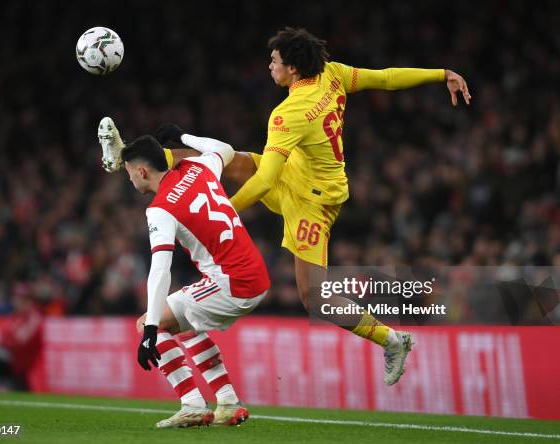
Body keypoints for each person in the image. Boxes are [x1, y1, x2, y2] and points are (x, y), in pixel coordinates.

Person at [151, 27, 472, 386]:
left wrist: (226, 211)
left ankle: (393, 340)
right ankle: (144, 157)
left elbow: (265, 181)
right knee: (226, 159)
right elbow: (386, 78)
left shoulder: (288, 113)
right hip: (297, 176)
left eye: (274, 61)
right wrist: (442, 73)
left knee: (315, 298)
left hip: (313, 203)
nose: (269, 66)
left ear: (292, 69)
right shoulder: (331, 74)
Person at [99, 120, 270, 428]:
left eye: (128, 173)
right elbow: (223, 149)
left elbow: (160, 269)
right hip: (254, 273)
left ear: (141, 172)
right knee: (184, 324)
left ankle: (191, 404)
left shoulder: (160, 208)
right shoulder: (198, 167)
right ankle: (228, 403)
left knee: (150, 321)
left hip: (232, 283)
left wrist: (151, 329)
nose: (128, 179)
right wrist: (184, 136)